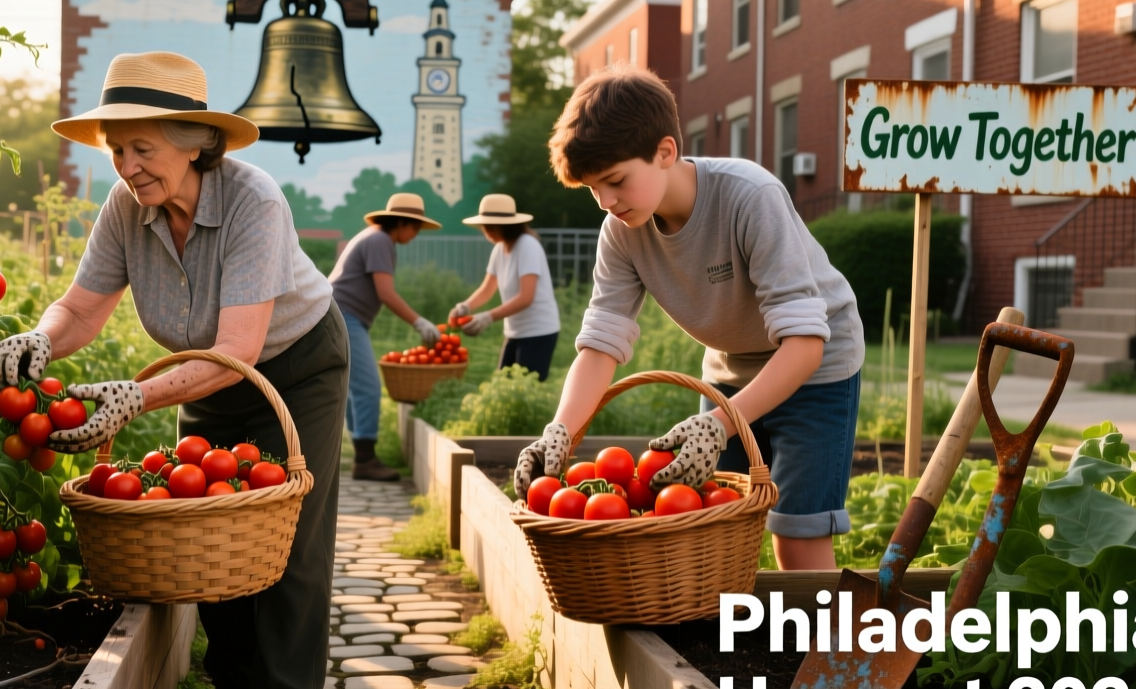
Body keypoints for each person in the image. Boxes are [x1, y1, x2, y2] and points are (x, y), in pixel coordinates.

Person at [0, 52, 346, 689]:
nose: (126, 165)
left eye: (141, 147)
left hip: (293, 370)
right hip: (203, 375)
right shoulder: (127, 208)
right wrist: (40, 336)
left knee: (286, 538)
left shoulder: (253, 200)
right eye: (117, 149)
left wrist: (135, 395)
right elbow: (84, 305)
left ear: (194, 143)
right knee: (200, 526)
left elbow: (238, 347)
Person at [512, 68, 863, 570]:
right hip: (728, 370)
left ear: (665, 152)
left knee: (796, 535)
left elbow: (805, 344)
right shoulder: (622, 231)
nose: (607, 203)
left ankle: (827, 648)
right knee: (709, 522)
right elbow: (601, 344)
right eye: (593, 190)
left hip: (816, 367)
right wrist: (560, 430)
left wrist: (720, 424)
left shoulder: (748, 197)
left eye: (615, 181)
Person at [327, 192, 442, 481]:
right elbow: (386, 293)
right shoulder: (380, 240)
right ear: (401, 223)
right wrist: (419, 322)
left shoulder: (375, 237)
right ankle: (365, 460)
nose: (416, 233)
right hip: (344, 316)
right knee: (368, 387)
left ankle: (360, 456)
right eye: (415, 227)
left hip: (341, 316)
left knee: (356, 389)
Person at [447, 193, 562, 381]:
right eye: (485, 226)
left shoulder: (528, 246)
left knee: (522, 391)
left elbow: (526, 297)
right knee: (502, 385)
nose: (487, 232)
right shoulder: (500, 249)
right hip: (515, 331)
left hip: (538, 332)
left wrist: (487, 317)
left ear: (509, 226)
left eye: (492, 226)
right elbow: (487, 289)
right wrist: (465, 306)